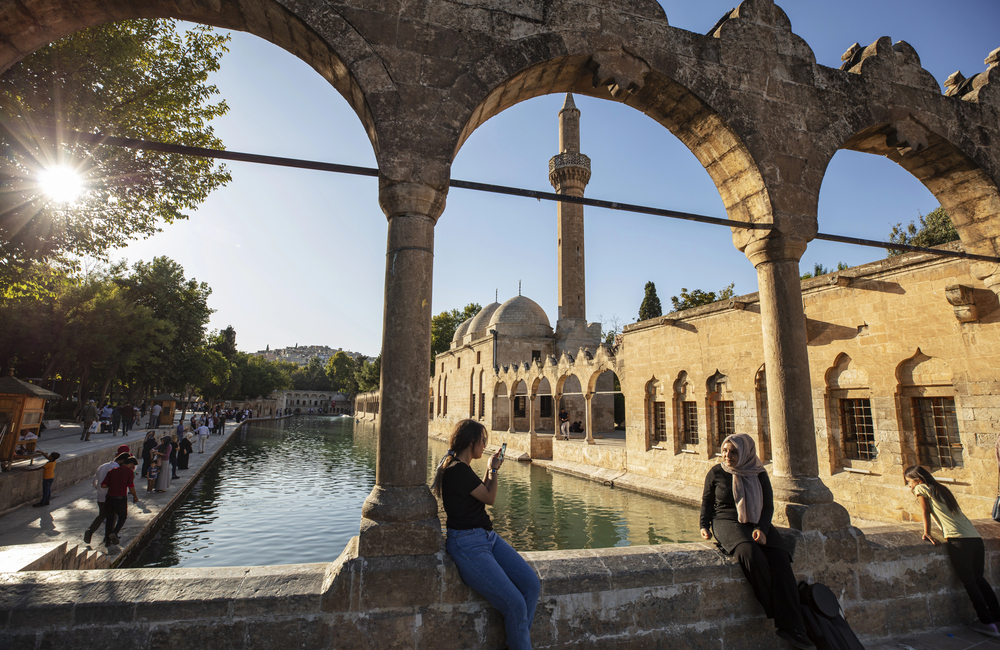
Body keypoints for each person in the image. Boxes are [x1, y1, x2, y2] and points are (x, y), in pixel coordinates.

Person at [431, 419, 540, 650]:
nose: (485, 446)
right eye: (483, 441)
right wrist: (491, 469)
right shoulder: (456, 470)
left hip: (487, 538)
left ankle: (519, 642)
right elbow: (490, 498)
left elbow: (482, 495)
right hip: (468, 545)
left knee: (531, 585)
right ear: (471, 442)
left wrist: (492, 470)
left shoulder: (461, 468)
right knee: (516, 605)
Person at [700, 433, 813, 649]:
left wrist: (762, 528)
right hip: (726, 521)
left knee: (780, 558)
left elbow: (768, 505)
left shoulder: (758, 473)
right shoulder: (716, 472)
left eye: (733, 452)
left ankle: (794, 627)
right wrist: (703, 526)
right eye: (725, 450)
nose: (727, 455)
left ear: (745, 453)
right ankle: (784, 616)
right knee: (749, 553)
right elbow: (707, 502)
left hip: (756, 521)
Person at [905, 465, 1000, 637]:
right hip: (975, 539)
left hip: (959, 540)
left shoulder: (921, 488)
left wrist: (926, 532)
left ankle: (986, 622)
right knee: (979, 579)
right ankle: (997, 615)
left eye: (909, 482)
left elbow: (925, 511)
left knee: (970, 582)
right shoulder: (942, 489)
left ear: (918, 480)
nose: (909, 486)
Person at [84, 451, 130, 545]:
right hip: (112, 497)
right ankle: (109, 537)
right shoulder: (116, 469)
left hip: (100, 496)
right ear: (122, 461)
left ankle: (90, 530)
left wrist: (100, 490)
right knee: (112, 517)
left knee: (102, 515)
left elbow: (94, 482)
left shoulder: (102, 466)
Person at [101, 456, 138, 546]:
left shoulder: (112, 471)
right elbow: (131, 486)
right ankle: (114, 532)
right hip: (120, 498)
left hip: (109, 497)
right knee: (122, 517)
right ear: (130, 464)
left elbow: (104, 485)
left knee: (110, 518)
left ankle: (107, 540)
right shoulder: (129, 472)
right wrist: (135, 496)